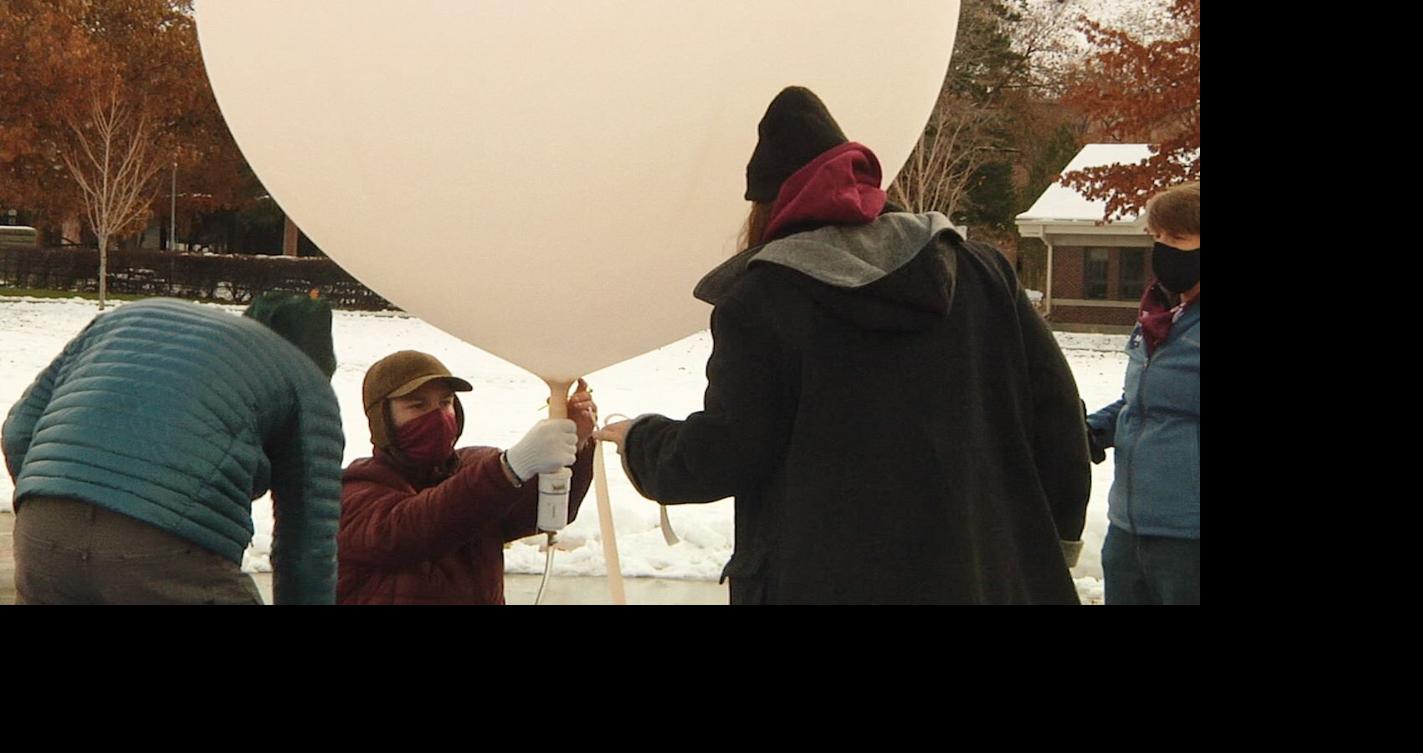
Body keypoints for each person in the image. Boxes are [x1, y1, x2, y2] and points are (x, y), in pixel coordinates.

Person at [596, 86, 1091, 604]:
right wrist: (1049, 546)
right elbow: (1059, 419)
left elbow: (726, 451)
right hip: (985, 577)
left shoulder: (763, 301)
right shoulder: (981, 273)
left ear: (769, 207)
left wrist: (640, 440)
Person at [3, 292, 344, 604]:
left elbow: (19, 431)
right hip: (164, 548)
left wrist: (62, 499)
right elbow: (308, 546)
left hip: (43, 533)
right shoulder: (307, 383)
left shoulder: (126, 318)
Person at [337, 350, 596, 604]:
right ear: (382, 419)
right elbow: (418, 526)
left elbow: (539, 513)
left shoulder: (474, 468)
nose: (437, 416)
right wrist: (508, 469)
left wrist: (576, 444)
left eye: (445, 403)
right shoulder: (353, 493)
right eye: (418, 405)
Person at [1087, 182, 1200, 605]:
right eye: (1157, 237)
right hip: (1130, 529)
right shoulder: (1161, 317)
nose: (1164, 250)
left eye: (1178, 238)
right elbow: (1142, 404)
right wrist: (1093, 429)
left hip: (1189, 539)